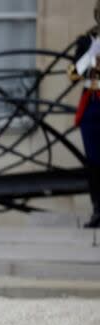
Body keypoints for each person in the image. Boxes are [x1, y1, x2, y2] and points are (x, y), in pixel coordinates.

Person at [69, 0, 100, 228]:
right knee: (94, 161)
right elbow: (72, 73)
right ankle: (98, 209)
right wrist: (89, 62)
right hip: (93, 101)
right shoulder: (88, 40)